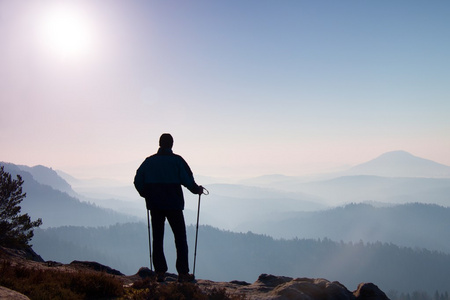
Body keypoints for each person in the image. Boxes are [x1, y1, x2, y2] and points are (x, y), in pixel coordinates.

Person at [134, 133, 203, 283]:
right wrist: (197, 190)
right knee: (180, 238)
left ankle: (159, 272)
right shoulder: (177, 161)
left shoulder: (149, 161)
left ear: (160, 144)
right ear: (171, 144)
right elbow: (187, 179)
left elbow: (138, 179)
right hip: (174, 204)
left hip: (155, 205)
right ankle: (183, 274)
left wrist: (145, 194)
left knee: (157, 237)